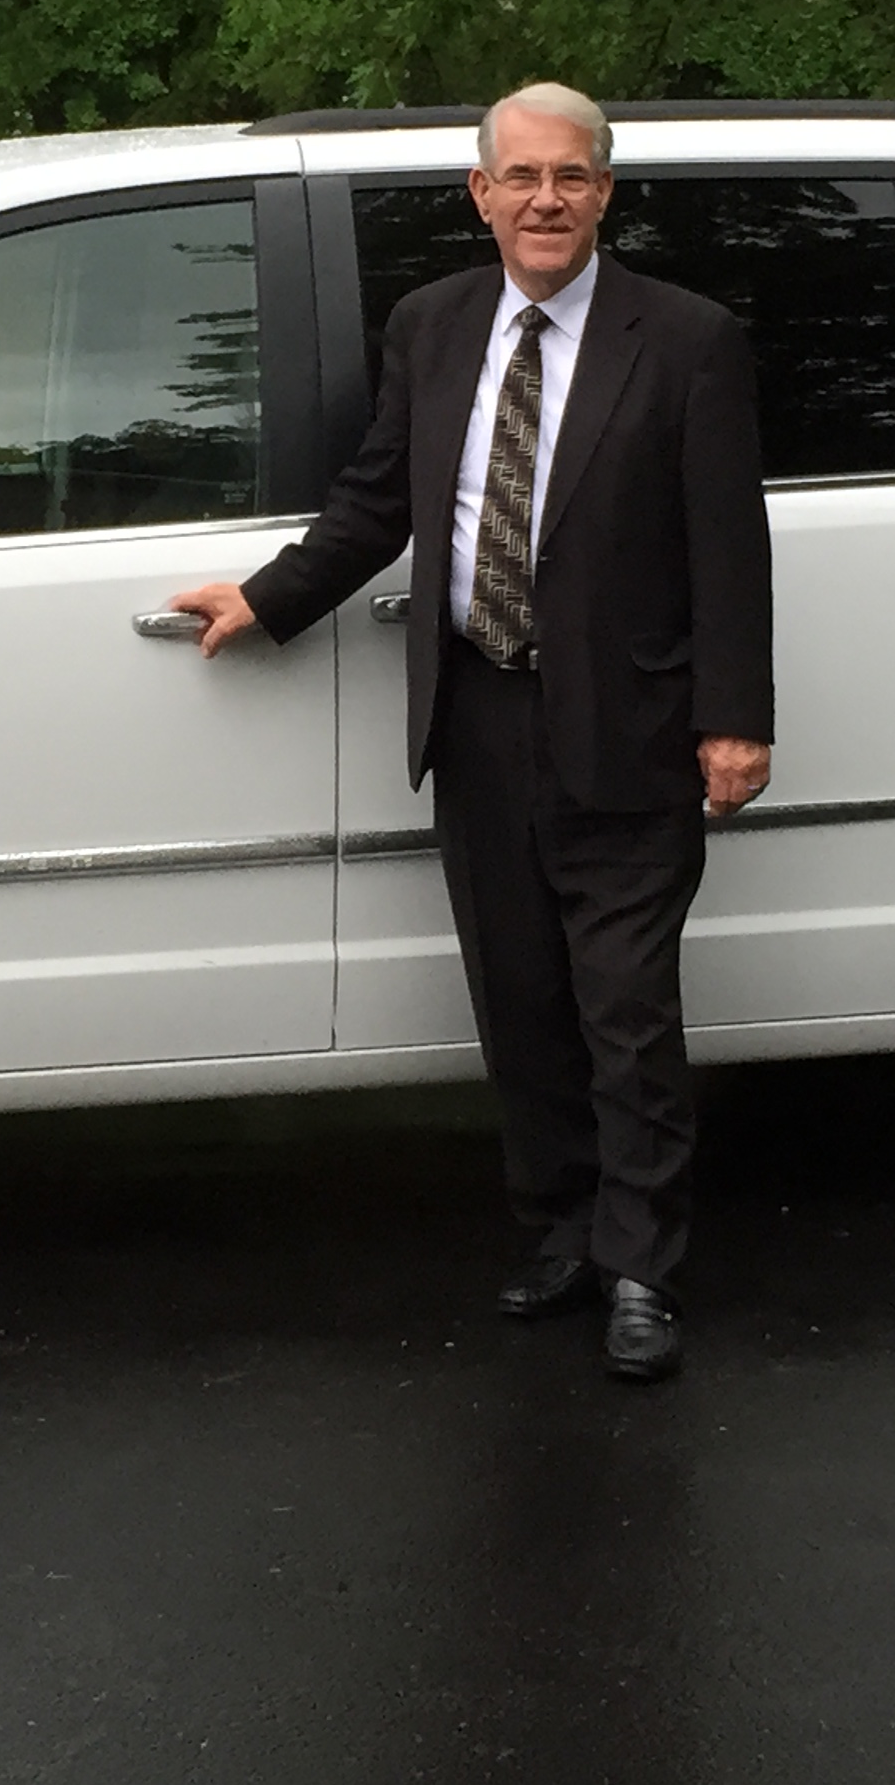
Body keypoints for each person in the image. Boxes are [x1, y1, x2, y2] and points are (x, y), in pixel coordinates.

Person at [166, 82, 774, 1382]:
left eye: (572, 178)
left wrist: (734, 718)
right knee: (521, 1000)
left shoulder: (687, 340)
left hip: (629, 723)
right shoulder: (434, 325)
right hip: (479, 713)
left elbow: (730, 544)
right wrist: (270, 600)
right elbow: (379, 496)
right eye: (523, 178)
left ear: (606, 194)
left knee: (626, 1011)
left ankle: (643, 1267)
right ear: (481, 194)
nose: (546, 200)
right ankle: (562, 1230)